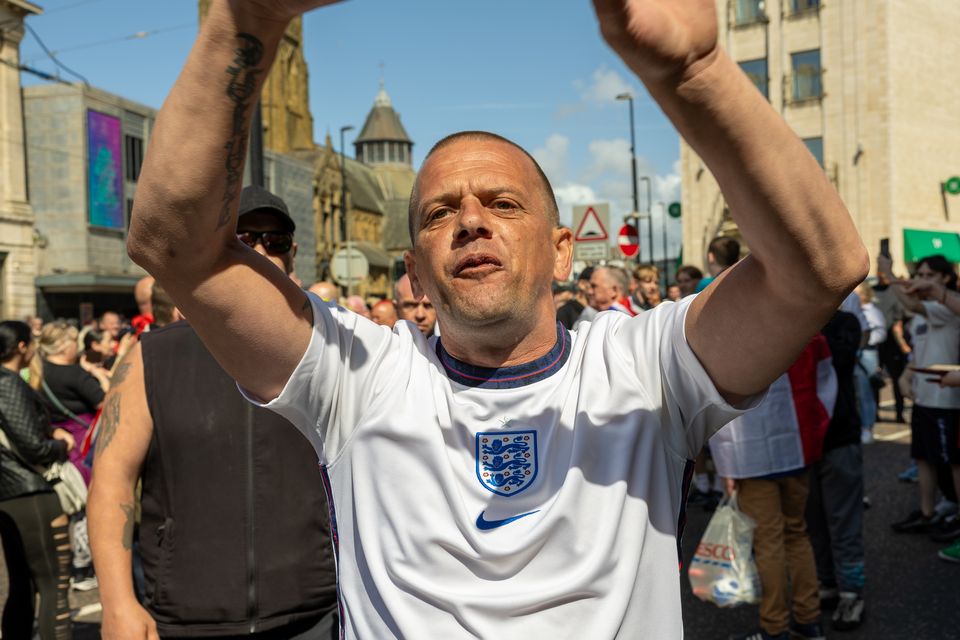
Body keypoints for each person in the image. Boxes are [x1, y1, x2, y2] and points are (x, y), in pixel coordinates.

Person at [126, 1, 867, 636]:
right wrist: (243, 19)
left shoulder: (644, 368)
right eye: (441, 212)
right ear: (412, 272)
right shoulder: (358, 376)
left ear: (560, 251)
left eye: (504, 204)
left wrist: (697, 71)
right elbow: (173, 245)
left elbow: (819, 268)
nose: (472, 221)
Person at [89, 185, 339, 639]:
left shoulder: (332, 348)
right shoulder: (153, 357)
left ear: (293, 253)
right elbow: (112, 480)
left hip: (316, 613)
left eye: (274, 239)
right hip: (188, 616)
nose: (261, 249)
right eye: (243, 239)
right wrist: (118, 602)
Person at [712, 335, 835, 640]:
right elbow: (824, 381)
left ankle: (774, 626)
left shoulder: (734, 330)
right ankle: (808, 619)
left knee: (768, 542)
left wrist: (726, 463)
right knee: (796, 533)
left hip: (750, 455)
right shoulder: (807, 327)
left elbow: (716, 397)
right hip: (796, 445)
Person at [0, 320, 74, 639]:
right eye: (31, 342)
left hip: (14, 493)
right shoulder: (8, 382)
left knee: (24, 586)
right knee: (53, 585)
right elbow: (32, 446)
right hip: (28, 491)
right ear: (21, 346)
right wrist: (61, 445)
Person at [880, 254, 960, 539]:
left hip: (946, 398)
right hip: (925, 397)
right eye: (921, 274)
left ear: (946, 279)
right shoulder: (926, 310)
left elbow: (911, 302)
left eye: (930, 276)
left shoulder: (946, 306)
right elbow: (920, 350)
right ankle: (927, 513)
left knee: (953, 461)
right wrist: (906, 375)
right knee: (923, 457)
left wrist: (888, 274)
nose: (923, 280)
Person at [808, 309, 868, 630]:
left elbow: (839, 361)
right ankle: (827, 582)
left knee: (843, 519)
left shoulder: (845, 322)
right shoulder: (792, 316)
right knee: (814, 520)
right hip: (804, 441)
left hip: (839, 436)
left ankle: (851, 591)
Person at [855, 283, 886, 443]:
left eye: (858, 293)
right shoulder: (853, 310)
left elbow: (881, 332)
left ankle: (868, 427)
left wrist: (864, 343)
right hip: (855, 353)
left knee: (865, 392)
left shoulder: (872, 311)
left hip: (866, 354)